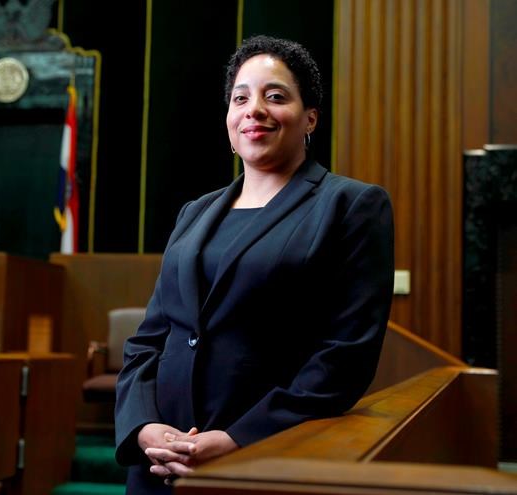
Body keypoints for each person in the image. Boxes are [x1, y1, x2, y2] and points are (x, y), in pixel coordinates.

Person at [115, 35, 394, 494]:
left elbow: (346, 355)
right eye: (240, 98)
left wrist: (237, 439)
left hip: (265, 456)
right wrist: (144, 427)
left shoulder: (351, 206)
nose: (254, 110)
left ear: (310, 118)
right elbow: (149, 340)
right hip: (159, 463)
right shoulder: (194, 213)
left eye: (276, 96)